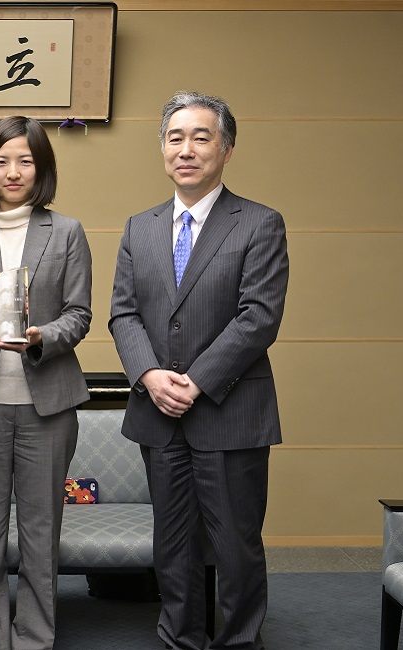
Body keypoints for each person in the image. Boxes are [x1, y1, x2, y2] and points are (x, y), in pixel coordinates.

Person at [109, 92, 289, 650]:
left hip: (230, 411)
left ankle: (238, 640)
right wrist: (150, 376)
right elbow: (123, 312)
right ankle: (180, 637)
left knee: (235, 543)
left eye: (200, 137)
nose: (185, 149)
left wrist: (196, 380)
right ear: (162, 148)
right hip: (158, 412)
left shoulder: (258, 223)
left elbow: (258, 317)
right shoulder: (140, 228)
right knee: (174, 542)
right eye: (174, 137)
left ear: (227, 149)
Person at [0, 116, 92, 650]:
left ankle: (34, 641)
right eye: (2, 160)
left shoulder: (67, 230)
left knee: (39, 536)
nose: (13, 171)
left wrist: (40, 336)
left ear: (42, 168)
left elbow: (79, 314)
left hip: (46, 406)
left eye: (25, 160)